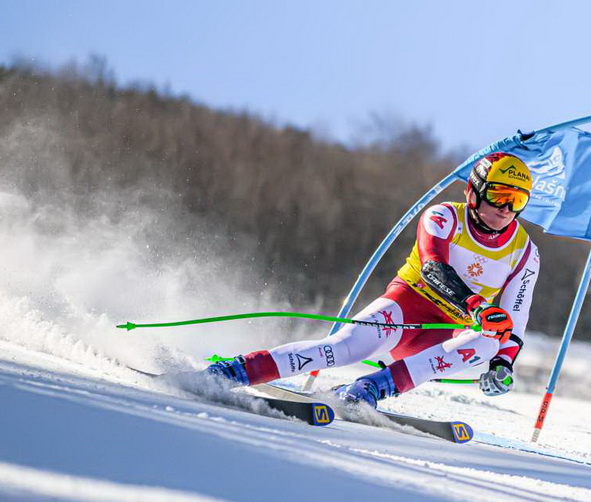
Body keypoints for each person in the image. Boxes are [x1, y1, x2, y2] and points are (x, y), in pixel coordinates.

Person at [207, 152, 540, 407]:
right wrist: (478, 306)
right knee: (342, 350)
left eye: (518, 200)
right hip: (407, 307)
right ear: (475, 192)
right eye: (499, 195)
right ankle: (236, 370)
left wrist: (503, 365)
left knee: (489, 341)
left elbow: (516, 322)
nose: (507, 208)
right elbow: (433, 268)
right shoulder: (444, 216)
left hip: (445, 334)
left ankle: (369, 389)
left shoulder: (525, 251)